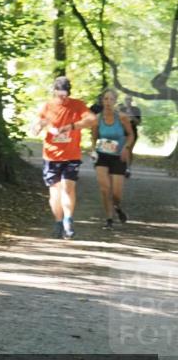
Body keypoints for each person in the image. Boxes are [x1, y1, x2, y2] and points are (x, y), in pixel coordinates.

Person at [30, 77, 96, 239]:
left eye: (65, 95)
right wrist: (42, 125)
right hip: (51, 156)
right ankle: (58, 222)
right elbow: (34, 129)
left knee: (68, 187)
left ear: (69, 93)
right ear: (54, 92)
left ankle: (68, 220)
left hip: (71, 155)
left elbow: (92, 120)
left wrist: (73, 126)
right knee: (55, 193)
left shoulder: (77, 105)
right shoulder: (47, 106)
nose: (62, 99)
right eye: (59, 95)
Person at [90, 88, 135, 229]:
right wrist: (93, 149)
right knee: (104, 189)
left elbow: (130, 135)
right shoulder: (97, 118)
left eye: (111, 99)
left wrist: (126, 148)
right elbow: (94, 136)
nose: (108, 102)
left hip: (118, 157)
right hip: (102, 155)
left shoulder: (122, 117)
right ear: (102, 101)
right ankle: (109, 219)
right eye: (105, 99)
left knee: (116, 194)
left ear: (115, 102)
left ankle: (117, 207)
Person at [119, 95, 143, 177]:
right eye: (126, 99)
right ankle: (120, 167)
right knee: (120, 150)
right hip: (121, 132)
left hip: (132, 132)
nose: (128, 101)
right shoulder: (121, 109)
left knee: (128, 149)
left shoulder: (136, 110)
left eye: (129, 99)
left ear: (132, 100)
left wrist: (132, 116)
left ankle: (128, 169)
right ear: (124, 100)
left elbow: (139, 122)